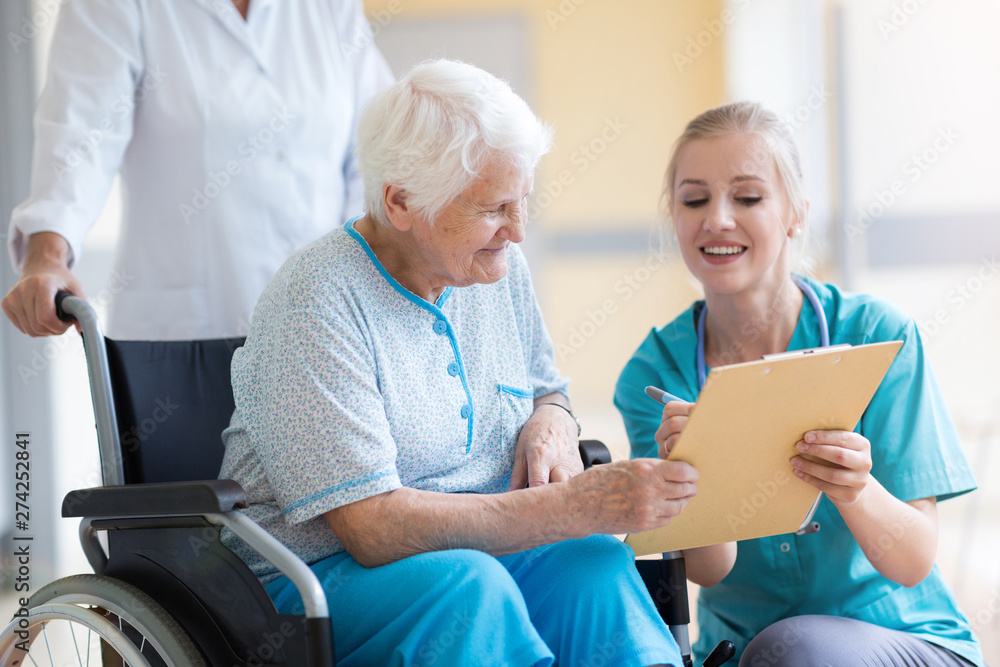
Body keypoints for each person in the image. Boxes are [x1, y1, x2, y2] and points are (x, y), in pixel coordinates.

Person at [219, 59, 697, 666]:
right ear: (401, 202)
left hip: (486, 552)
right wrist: (574, 507)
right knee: (473, 587)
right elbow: (370, 530)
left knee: (594, 561)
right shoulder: (316, 298)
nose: (518, 231)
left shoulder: (494, 269)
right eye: (495, 208)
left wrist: (552, 424)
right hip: (314, 578)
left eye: (523, 201)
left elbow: (549, 392)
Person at [614, 102, 984, 667]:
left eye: (748, 197)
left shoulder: (878, 337)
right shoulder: (656, 371)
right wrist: (699, 473)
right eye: (694, 200)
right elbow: (708, 569)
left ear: (795, 213)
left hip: (905, 641)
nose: (716, 218)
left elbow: (911, 561)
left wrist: (856, 489)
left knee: (802, 649)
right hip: (750, 652)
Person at [3, 0, 393, 340]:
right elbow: (81, 135)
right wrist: (48, 254)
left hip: (328, 329)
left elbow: (380, 146)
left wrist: (365, 270)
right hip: (187, 337)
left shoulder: (330, 6)